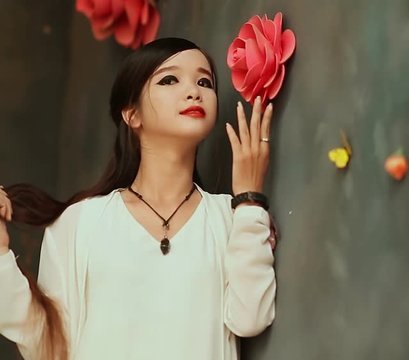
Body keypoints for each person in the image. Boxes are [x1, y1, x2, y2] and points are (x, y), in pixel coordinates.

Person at [0, 37, 276, 360]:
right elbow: (47, 345)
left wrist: (249, 199)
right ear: (132, 114)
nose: (193, 91)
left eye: (204, 81)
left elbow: (250, 318)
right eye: (169, 79)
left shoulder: (232, 219)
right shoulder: (79, 223)